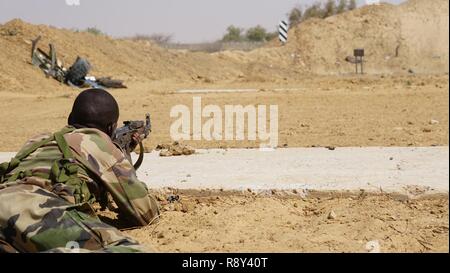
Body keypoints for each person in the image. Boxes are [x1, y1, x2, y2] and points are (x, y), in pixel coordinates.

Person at [0, 88, 159, 253]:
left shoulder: (37, 140)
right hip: (36, 210)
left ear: (69, 119)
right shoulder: (99, 144)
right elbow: (146, 213)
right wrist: (120, 159)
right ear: (112, 128)